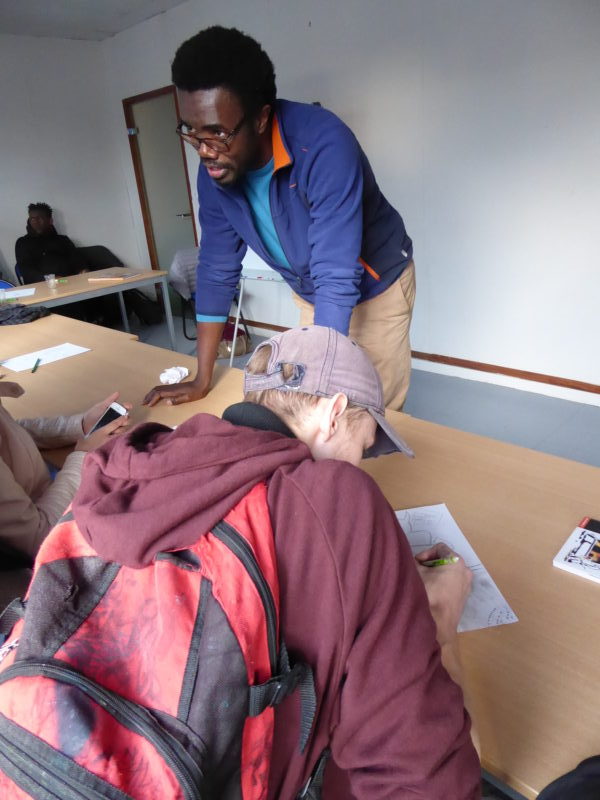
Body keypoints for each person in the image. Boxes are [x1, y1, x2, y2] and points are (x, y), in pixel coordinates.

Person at [78, 325, 480, 797]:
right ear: (334, 414)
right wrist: (439, 621)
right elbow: (429, 783)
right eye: (364, 446)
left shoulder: (130, 467)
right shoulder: (339, 501)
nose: (359, 463)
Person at [144, 26, 416, 413]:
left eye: (217, 133)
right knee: (314, 412)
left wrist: (323, 385)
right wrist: (203, 376)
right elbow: (217, 268)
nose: (204, 151)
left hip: (378, 285)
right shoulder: (215, 172)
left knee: (369, 412)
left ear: (260, 118)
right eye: (192, 131)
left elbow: (335, 274)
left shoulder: (323, 144)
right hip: (312, 288)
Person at [0, 377, 129, 607]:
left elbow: (13, 429)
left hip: (42, 499)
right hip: (43, 566)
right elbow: (39, 537)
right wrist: (84, 455)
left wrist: (78, 426)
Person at [15, 202, 85, 284]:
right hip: (41, 288)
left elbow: (77, 260)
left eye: (39, 218)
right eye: (32, 219)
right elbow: (26, 270)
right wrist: (50, 278)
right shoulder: (22, 243)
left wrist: (83, 269)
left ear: (50, 220)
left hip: (69, 283)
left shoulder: (63, 240)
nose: (35, 222)